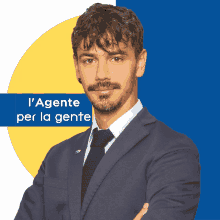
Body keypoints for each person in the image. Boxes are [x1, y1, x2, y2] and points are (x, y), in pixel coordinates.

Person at [15, 3, 200, 220]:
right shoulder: (57, 157)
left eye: (116, 58)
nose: (102, 74)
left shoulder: (173, 152)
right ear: (77, 67)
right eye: (89, 60)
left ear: (140, 63)